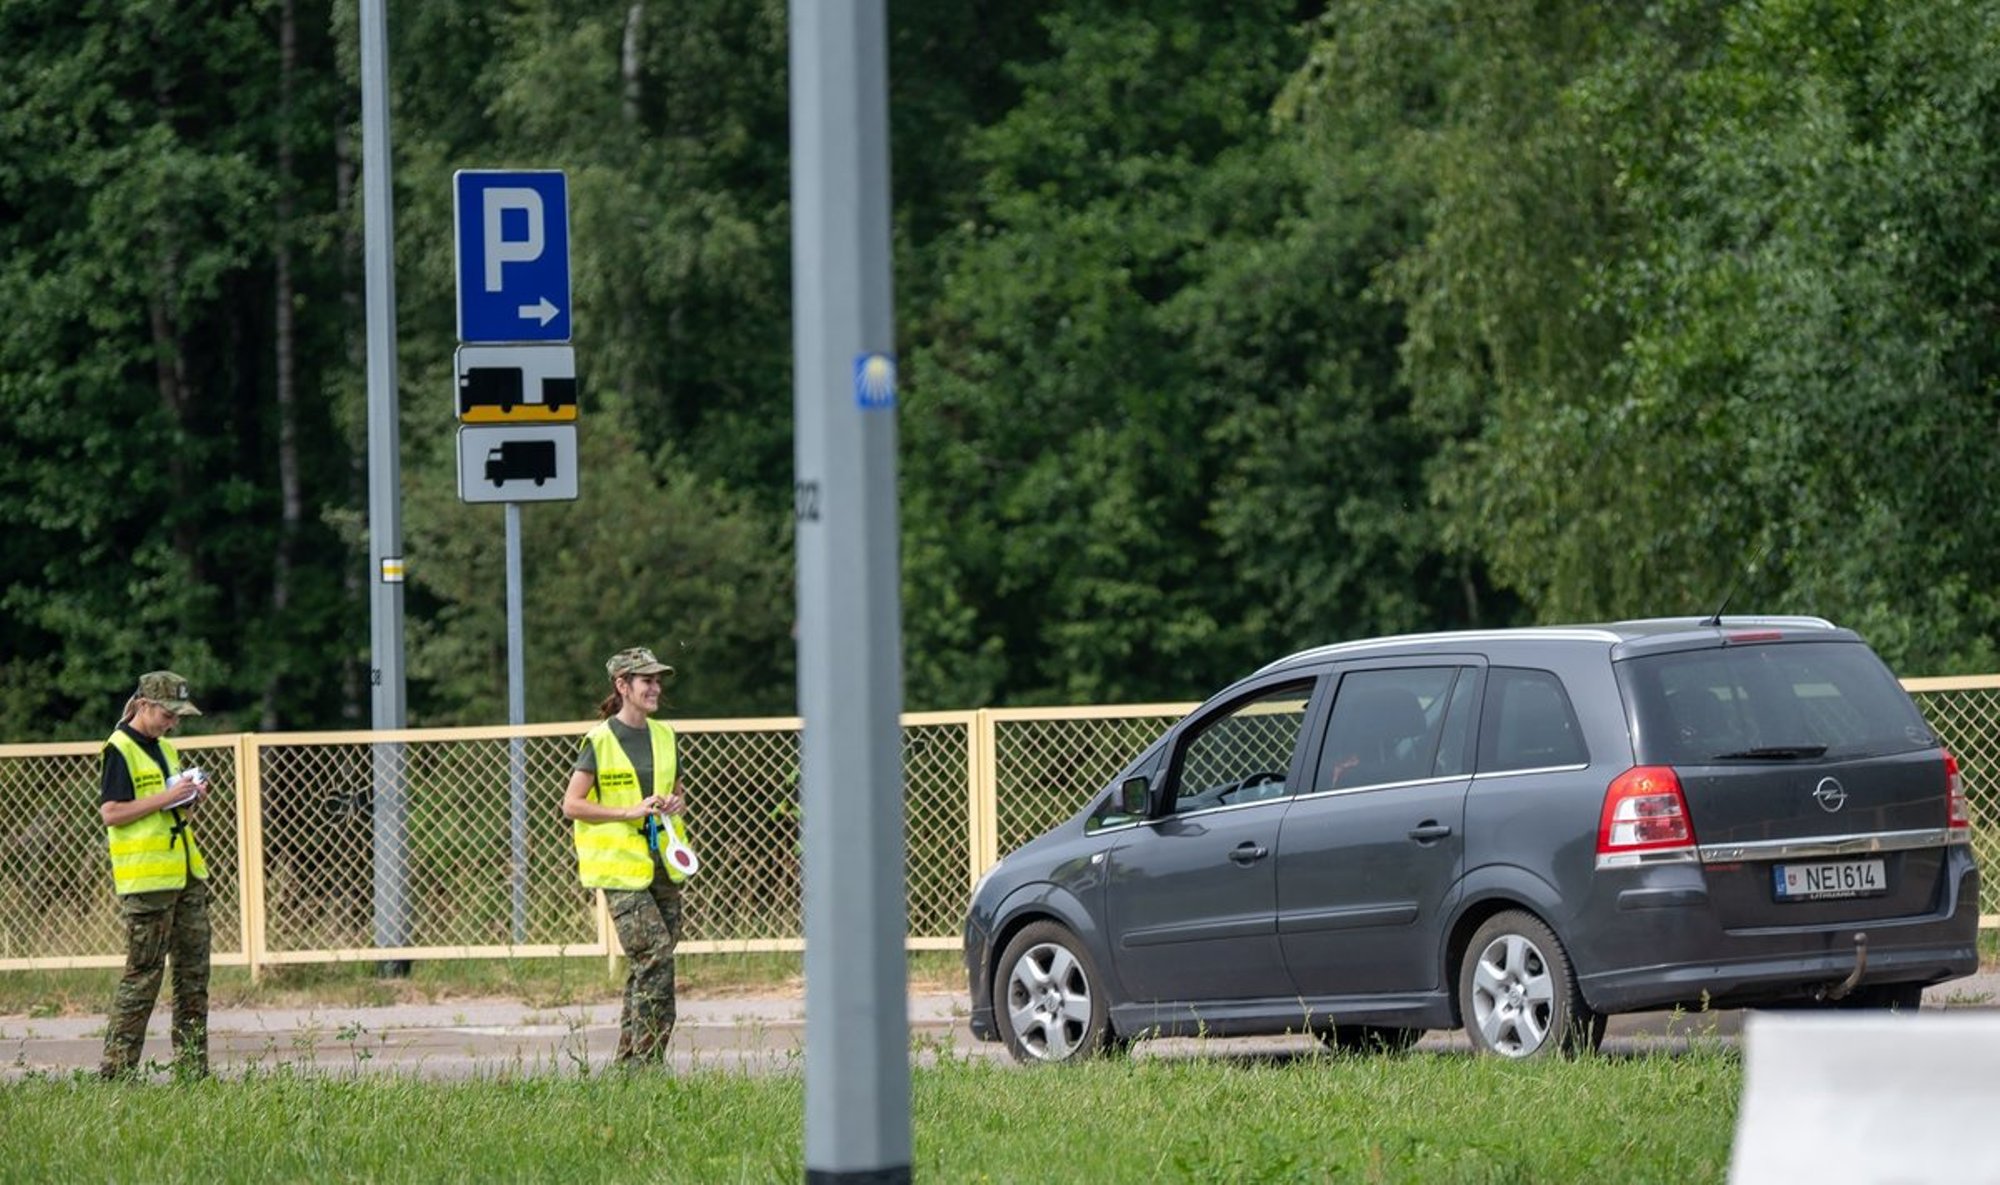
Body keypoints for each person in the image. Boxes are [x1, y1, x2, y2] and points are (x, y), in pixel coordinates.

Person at [562, 646, 694, 1066]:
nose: (655, 687)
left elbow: (677, 792)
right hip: (620, 868)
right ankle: (648, 1064)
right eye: (646, 680)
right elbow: (572, 804)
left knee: (648, 964)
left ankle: (627, 1067)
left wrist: (674, 804)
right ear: (623, 686)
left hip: (663, 864)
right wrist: (627, 811)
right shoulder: (599, 741)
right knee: (655, 956)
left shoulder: (665, 735)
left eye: (658, 680)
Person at [98, 670, 212, 1080]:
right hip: (147, 886)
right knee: (143, 977)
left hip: (184, 876)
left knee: (193, 977)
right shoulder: (119, 749)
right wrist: (167, 796)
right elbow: (111, 812)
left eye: (178, 716)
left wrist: (188, 796)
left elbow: (166, 808)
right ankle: (116, 1072)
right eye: (168, 714)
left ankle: (192, 1072)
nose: (173, 723)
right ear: (144, 705)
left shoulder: (165, 748)